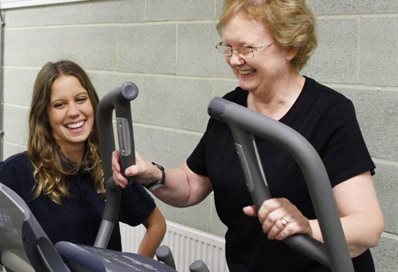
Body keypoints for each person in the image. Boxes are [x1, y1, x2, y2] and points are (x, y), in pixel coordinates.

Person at [111, 0, 384, 271]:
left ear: (291, 46)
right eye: (228, 47)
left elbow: (367, 227)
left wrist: (307, 227)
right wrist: (153, 175)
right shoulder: (230, 110)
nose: (234, 59)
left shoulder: (328, 112)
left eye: (247, 48)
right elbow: (192, 185)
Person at [0, 60, 166, 258]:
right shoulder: (16, 172)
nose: (73, 112)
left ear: (93, 103)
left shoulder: (111, 169)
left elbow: (157, 224)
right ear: (45, 113)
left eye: (80, 99)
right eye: (59, 104)